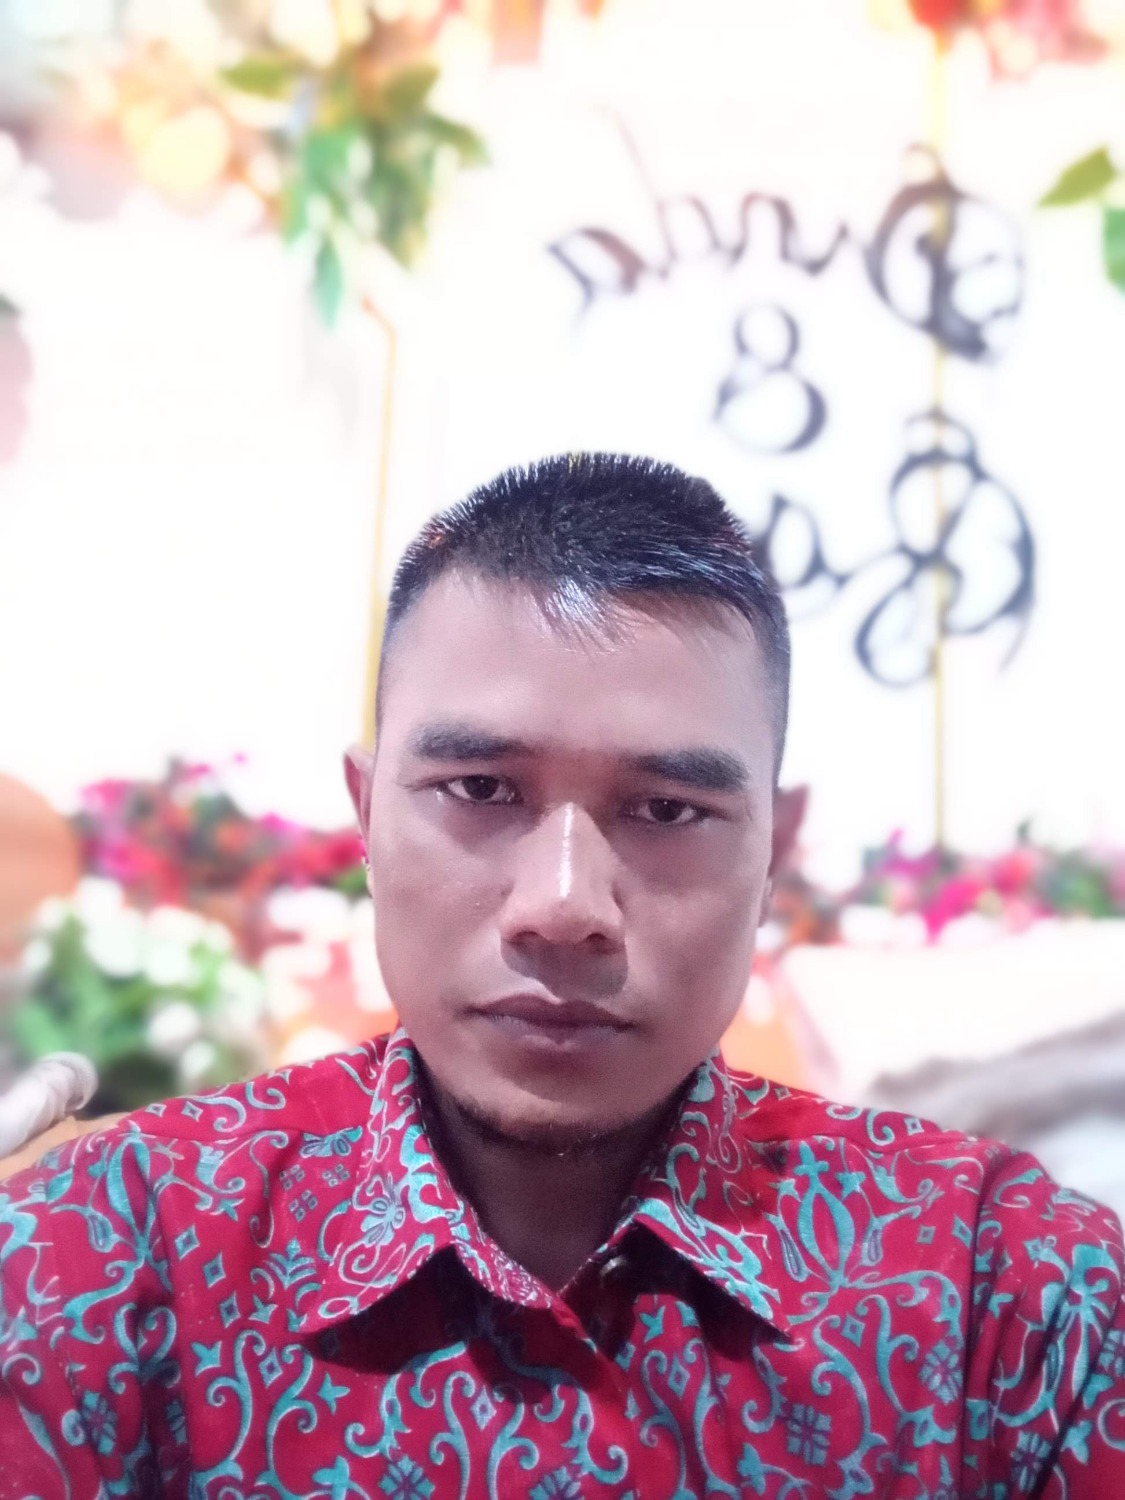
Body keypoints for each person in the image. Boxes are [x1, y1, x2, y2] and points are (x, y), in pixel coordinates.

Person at [1, 453, 1122, 1498]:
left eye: (668, 810)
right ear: (367, 813)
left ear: (771, 849)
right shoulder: (96, 1260)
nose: (565, 907)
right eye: (481, 790)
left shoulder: (1009, 1299)